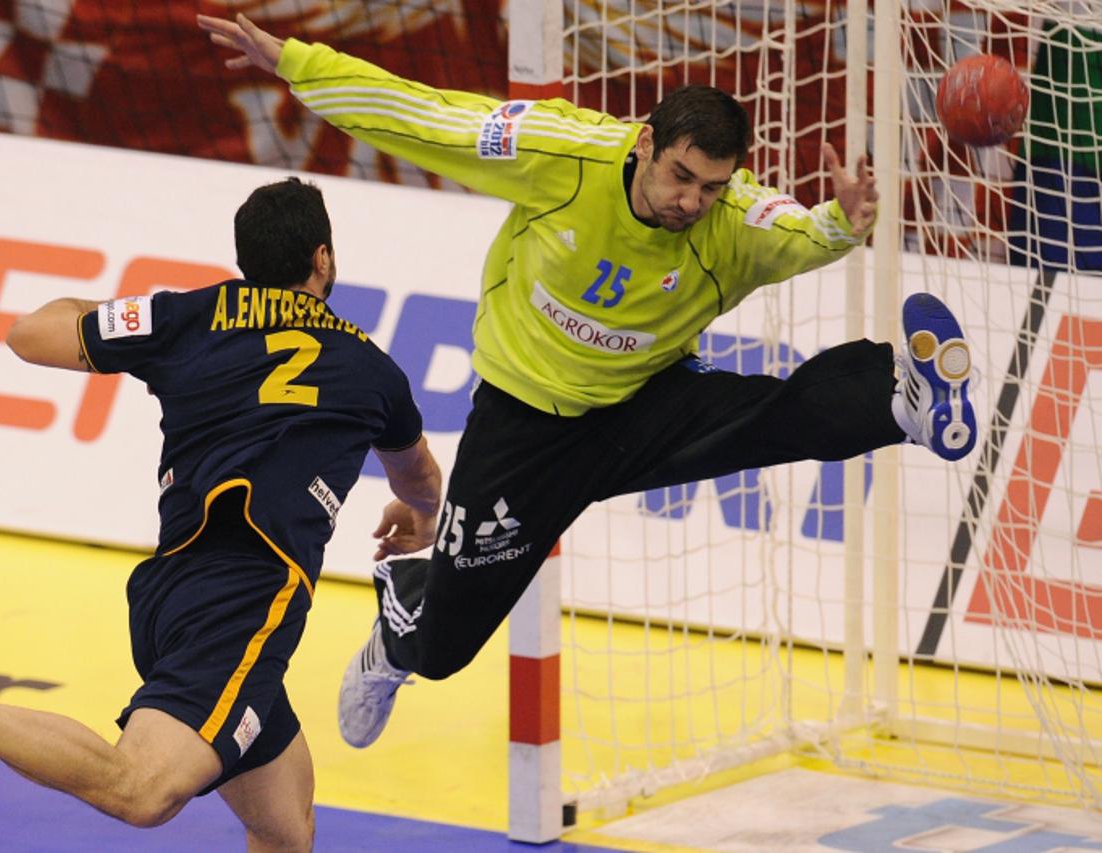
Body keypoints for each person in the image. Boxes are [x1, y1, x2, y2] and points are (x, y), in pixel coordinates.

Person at [196, 14, 978, 749]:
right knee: (445, 649)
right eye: (680, 177)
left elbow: (799, 235)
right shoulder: (558, 151)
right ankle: (406, 607)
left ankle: (897, 390)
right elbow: (420, 114)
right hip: (524, 424)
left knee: (772, 415)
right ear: (644, 144)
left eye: (710, 186)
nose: (690, 202)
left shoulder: (729, 222)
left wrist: (841, 220)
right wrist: (294, 63)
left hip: (643, 404)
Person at [0, 177, 442, 849]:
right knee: (142, 788)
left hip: (168, 593)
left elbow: (28, 334)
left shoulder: (187, 318)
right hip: (246, 596)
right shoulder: (370, 368)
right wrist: (419, 518)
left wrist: (121, 319)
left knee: (283, 823)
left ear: (246, 259)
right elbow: (419, 476)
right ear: (322, 258)